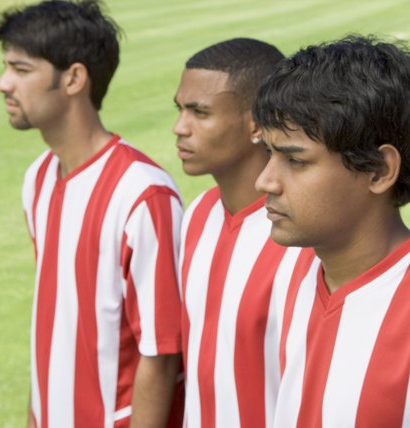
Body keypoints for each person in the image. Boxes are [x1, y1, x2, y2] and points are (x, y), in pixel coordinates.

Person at [252, 35, 410, 427]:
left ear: (378, 170)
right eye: (269, 154)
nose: (265, 181)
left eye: (295, 161)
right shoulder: (291, 273)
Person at [0, 1, 183, 426]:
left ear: (74, 78)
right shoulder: (38, 177)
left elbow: (161, 351)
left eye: (21, 70)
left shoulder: (142, 192)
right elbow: (55, 323)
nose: (4, 83)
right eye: (6, 67)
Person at [173, 38, 314, 428]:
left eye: (199, 112)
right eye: (180, 109)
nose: (179, 128)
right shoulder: (197, 214)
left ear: (256, 123)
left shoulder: (301, 237)